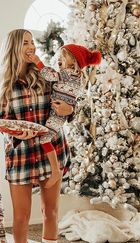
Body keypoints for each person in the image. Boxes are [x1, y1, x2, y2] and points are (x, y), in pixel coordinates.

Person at [0, 29, 73, 243]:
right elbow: (3, 120)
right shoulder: (0, 79)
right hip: (21, 153)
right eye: (25, 43)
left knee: (50, 212)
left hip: (51, 152)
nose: (31, 47)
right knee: (21, 217)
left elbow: (65, 104)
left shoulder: (45, 75)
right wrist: (15, 131)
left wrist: (70, 111)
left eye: (33, 42)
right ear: (13, 47)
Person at [28, 44, 102, 188]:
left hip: (57, 113)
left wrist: (37, 61)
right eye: (59, 57)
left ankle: (55, 170)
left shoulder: (67, 74)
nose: (59, 60)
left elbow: (49, 75)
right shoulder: (77, 77)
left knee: (44, 139)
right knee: (44, 136)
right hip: (60, 112)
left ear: (74, 61)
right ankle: (51, 170)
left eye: (63, 57)